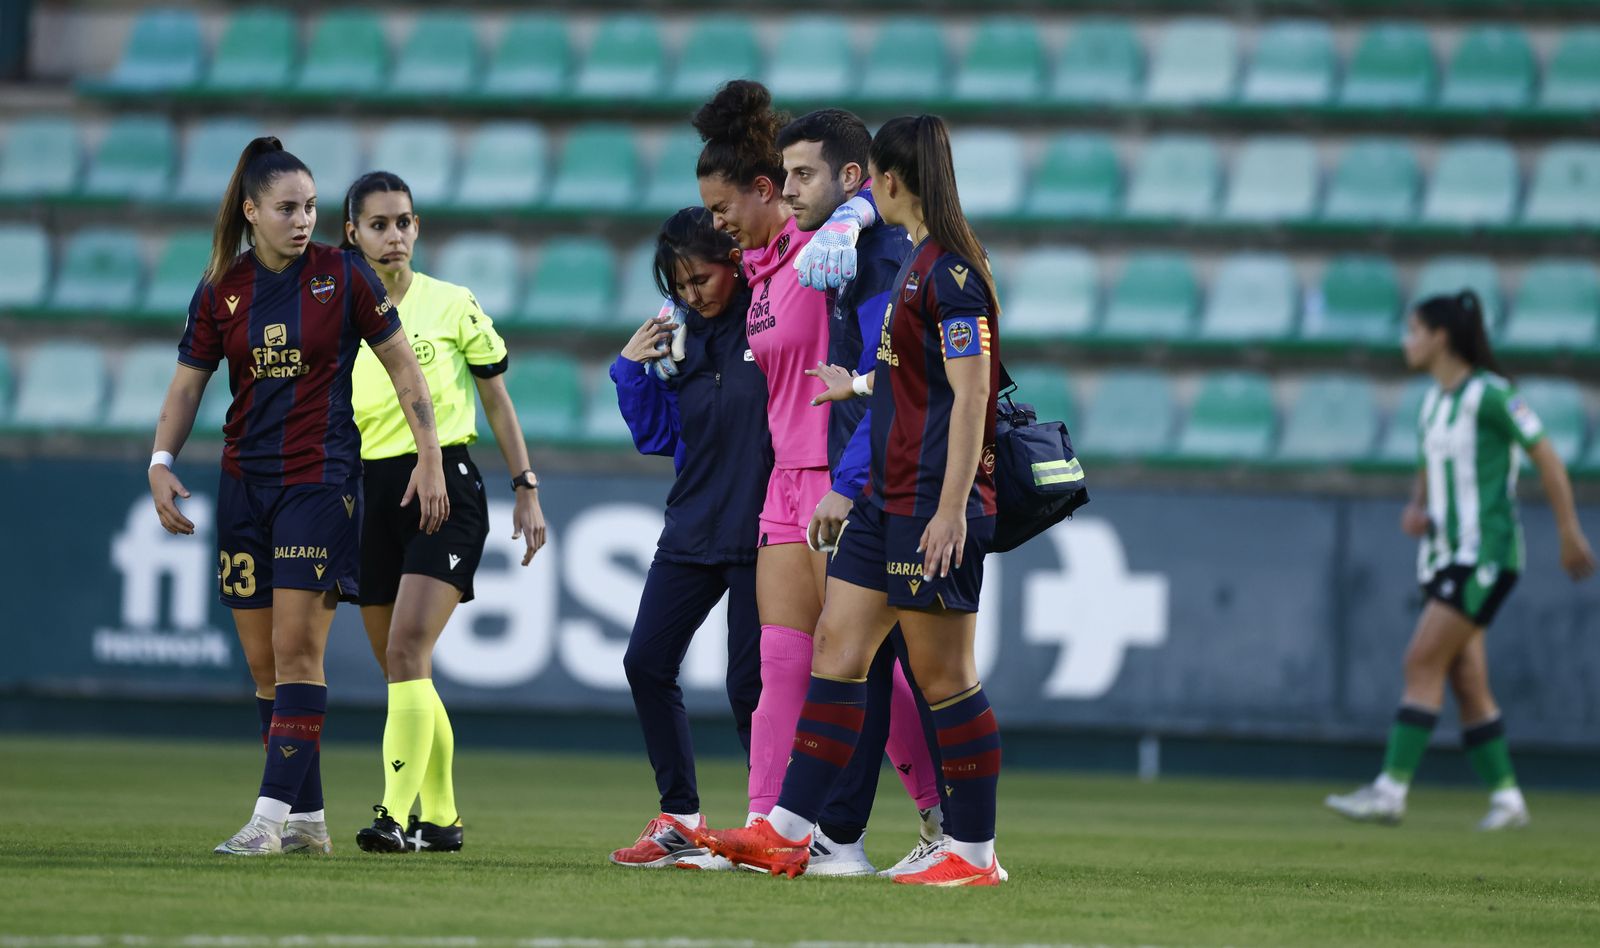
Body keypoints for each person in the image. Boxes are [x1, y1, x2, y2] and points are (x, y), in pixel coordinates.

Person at [700, 114, 1007, 886]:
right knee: (837, 652)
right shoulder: (906, 267)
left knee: (945, 678)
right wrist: (859, 387)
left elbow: (972, 398)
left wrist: (950, 507)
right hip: (881, 499)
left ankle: (973, 853)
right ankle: (790, 832)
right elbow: (915, 373)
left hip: (927, 501)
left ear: (888, 182)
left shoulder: (952, 275)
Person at [147, 136, 447, 856]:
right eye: (287, 208)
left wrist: (430, 456)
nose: (303, 219)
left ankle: (268, 818)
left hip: (320, 482)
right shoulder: (221, 288)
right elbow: (188, 384)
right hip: (243, 485)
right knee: (261, 666)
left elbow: (407, 372)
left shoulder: (345, 277)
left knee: (296, 650)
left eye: (311, 206)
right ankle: (309, 821)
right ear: (252, 212)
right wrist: (160, 460)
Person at [1325, 291, 1595, 830]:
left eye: (1413, 331)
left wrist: (1569, 532)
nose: (1406, 342)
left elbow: (1547, 457)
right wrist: (1417, 507)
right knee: (1467, 680)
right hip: (1443, 557)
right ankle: (1508, 800)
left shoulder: (1493, 397)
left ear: (1440, 336)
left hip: (1485, 555)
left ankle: (1390, 791)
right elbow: (1430, 466)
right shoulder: (1432, 403)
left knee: (1421, 660)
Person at [337, 171, 548, 854]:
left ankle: (396, 816)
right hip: (372, 492)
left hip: (444, 486)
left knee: (405, 651)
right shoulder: (339, 313)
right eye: (378, 224)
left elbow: (497, 401)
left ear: (417, 227)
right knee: (406, 671)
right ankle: (444, 818)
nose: (393, 235)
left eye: (403, 222)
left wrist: (526, 485)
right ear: (353, 234)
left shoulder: (452, 303)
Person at [778, 107, 949, 877]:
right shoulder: (857, 250)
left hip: (893, 483)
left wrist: (846, 485)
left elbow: (894, 385)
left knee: (919, 666)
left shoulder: (881, 258)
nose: (787, 191)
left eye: (801, 174)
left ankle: (884, 832)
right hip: (881, 475)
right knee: (873, 658)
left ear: (861, 180)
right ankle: (848, 832)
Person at [606, 207, 770, 869]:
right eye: (678, 283)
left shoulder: (769, 322)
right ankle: (680, 814)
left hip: (764, 531)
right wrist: (629, 369)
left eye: (700, 278)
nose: (691, 294)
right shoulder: (682, 340)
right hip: (692, 527)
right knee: (645, 662)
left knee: (750, 688)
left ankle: (772, 820)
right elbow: (658, 437)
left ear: (735, 263)